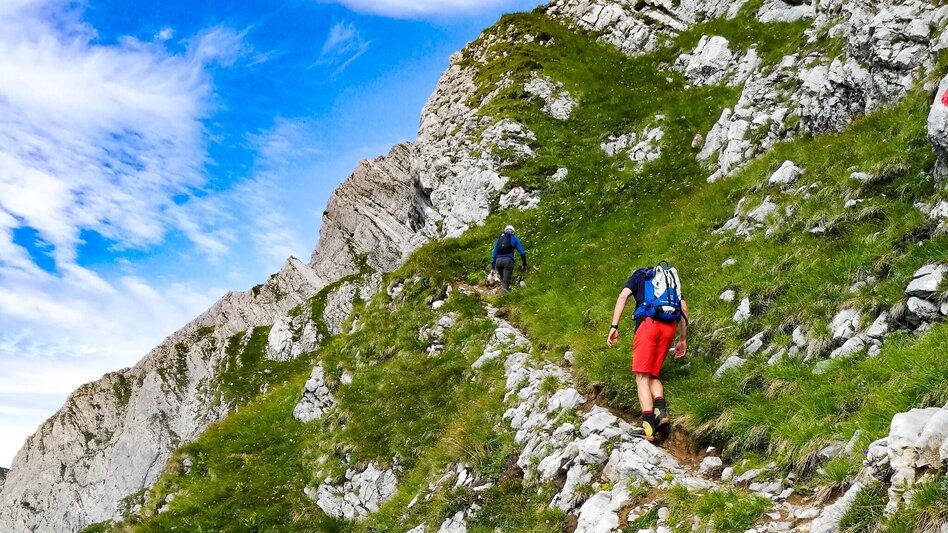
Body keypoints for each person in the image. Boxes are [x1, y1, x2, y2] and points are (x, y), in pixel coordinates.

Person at [606, 265, 688, 442]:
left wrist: (614, 326)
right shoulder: (670, 280)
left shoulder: (638, 275)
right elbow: (683, 308)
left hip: (648, 325)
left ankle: (648, 427)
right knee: (653, 374)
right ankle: (661, 413)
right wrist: (682, 338)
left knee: (641, 377)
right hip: (669, 327)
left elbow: (622, 297)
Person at [490, 225, 527, 293]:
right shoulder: (514, 239)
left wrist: (492, 267)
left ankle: (507, 293)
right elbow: (522, 253)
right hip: (508, 261)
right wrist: (524, 264)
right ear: (513, 232)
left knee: (504, 280)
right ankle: (502, 300)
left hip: (498, 262)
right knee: (505, 282)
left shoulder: (499, 239)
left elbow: (494, 253)